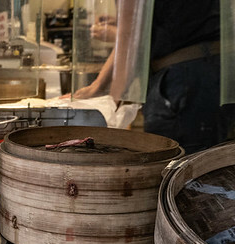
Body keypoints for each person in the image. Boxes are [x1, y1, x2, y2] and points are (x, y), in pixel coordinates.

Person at [73, 1, 235, 154]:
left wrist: (111, 113)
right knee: (205, 162)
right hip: (210, 72)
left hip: (184, 80)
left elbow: (129, 35)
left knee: (179, 166)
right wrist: (98, 86)